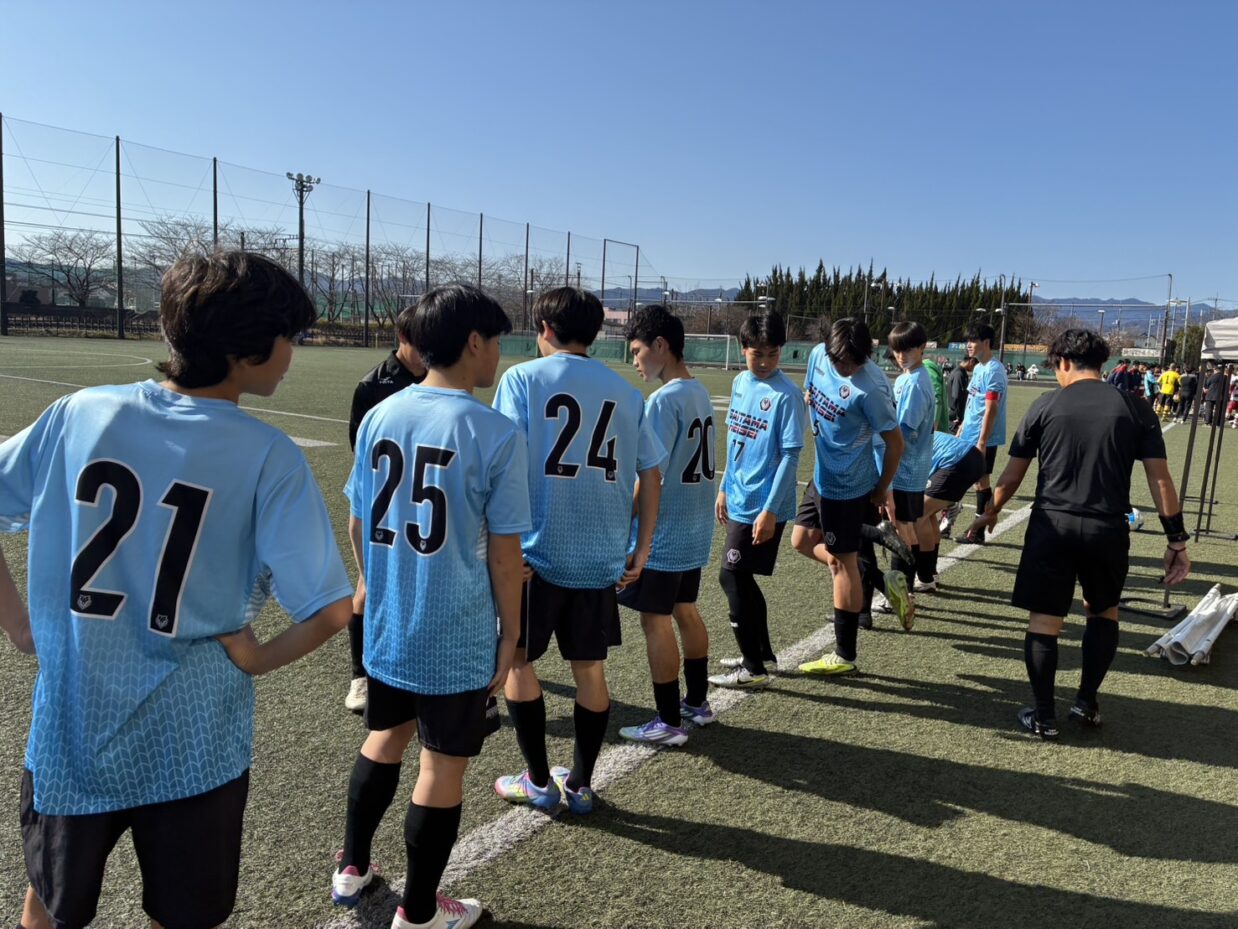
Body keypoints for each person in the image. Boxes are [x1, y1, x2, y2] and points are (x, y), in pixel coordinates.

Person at [0, 251, 354, 929]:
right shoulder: (267, 455)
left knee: (48, 898)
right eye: (290, 338)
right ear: (247, 349)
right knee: (185, 911)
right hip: (195, 740)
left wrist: (18, 624)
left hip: (74, 725)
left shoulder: (79, 413)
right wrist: (258, 657)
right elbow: (332, 609)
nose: (293, 354)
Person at [332, 285, 528, 929]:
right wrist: (510, 635)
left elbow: (357, 518)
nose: (499, 352)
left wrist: (373, 584)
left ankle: (352, 866)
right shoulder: (494, 431)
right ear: (473, 342)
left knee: (385, 735)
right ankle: (418, 914)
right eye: (496, 340)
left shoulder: (382, 413)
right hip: (455, 629)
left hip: (391, 621)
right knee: (441, 765)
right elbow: (505, 557)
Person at [966, 329, 1191, 739]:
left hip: (1052, 525)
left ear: (1064, 362)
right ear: (1101, 363)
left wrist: (989, 512)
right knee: (1102, 611)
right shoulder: (1136, 407)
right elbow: (1160, 479)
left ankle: (1044, 716)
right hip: (1107, 527)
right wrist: (1175, 539)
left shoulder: (1045, 404)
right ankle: (1086, 704)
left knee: (1045, 620)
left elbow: (1012, 476)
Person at [492, 287, 665, 815]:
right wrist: (641, 548)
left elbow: (500, 465)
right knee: (590, 671)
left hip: (533, 555)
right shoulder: (627, 394)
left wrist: (499, 547)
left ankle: (538, 781)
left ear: (544, 328)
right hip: (599, 557)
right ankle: (583, 785)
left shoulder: (522, 379)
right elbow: (651, 474)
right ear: (595, 334)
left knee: (518, 662)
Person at [616, 305, 717, 744]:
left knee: (655, 620)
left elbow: (650, 474)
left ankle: (668, 721)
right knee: (685, 610)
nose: (636, 362)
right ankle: (697, 702)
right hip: (694, 528)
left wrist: (625, 518)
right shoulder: (699, 392)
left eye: (638, 351)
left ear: (661, 345)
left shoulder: (662, 401)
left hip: (665, 531)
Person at [793, 317, 904, 677]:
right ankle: (878, 575)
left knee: (842, 565)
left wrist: (882, 488)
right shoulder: (817, 356)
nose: (847, 368)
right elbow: (809, 393)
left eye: (855, 362)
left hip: (849, 487)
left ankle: (844, 655)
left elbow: (895, 444)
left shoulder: (872, 388)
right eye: (841, 361)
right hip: (822, 475)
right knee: (801, 541)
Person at [708, 311, 806, 689]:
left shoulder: (787, 396)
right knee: (742, 576)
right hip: (738, 495)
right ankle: (762, 653)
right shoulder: (739, 382)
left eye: (772, 354)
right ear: (743, 349)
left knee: (730, 576)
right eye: (756, 354)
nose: (764, 362)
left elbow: (790, 457)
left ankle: (752, 669)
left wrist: (769, 511)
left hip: (764, 503)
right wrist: (724, 488)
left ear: (782, 351)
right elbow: (737, 441)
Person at [344, 307, 429, 712]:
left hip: (430, 495)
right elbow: (361, 453)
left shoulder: (439, 376)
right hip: (387, 498)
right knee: (367, 586)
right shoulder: (372, 385)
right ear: (402, 337)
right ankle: (360, 675)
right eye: (420, 340)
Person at [868, 322, 936, 627]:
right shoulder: (911, 378)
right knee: (903, 529)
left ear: (922, 348)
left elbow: (901, 433)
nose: (900, 355)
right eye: (896, 350)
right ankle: (904, 591)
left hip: (905, 470)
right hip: (910, 468)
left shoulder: (915, 383)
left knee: (902, 531)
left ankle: (901, 593)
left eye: (907, 349)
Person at [912, 431, 987, 591]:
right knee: (927, 513)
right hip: (971, 456)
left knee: (918, 515)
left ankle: (925, 578)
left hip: (957, 460)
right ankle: (930, 574)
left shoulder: (888, 439)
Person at [954, 324, 1008, 545]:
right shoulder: (978, 368)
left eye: (973, 340)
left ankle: (977, 530)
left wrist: (983, 441)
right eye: (967, 341)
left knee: (979, 480)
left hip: (982, 436)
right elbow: (972, 401)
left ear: (986, 342)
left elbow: (991, 408)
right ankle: (977, 529)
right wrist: (963, 424)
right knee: (978, 480)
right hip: (970, 432)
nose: (968, 345)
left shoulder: (994, 370)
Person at [921, 354, 951, 432]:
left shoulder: (927, 369)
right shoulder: (928, 369)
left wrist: (934, 426)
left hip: (929, 427)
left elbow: (936, 398)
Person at [946, 354, 975, 432]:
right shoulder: (959, 374)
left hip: (955, 416)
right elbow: (956, 396)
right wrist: (958, 417)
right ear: (971, 361)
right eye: (975, 365)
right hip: (955, 419)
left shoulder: (961, 372)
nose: (974, 368)